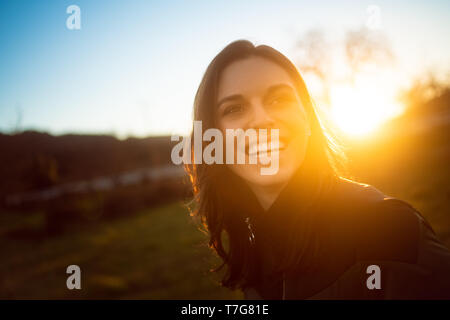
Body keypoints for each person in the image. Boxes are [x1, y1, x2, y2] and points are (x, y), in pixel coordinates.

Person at [186, 39, 450, 299]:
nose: (262, 120)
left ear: (308, 120)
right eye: (234, 109)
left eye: (279, 99)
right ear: (212, 138)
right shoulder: (253, 249)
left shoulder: (386, 229)